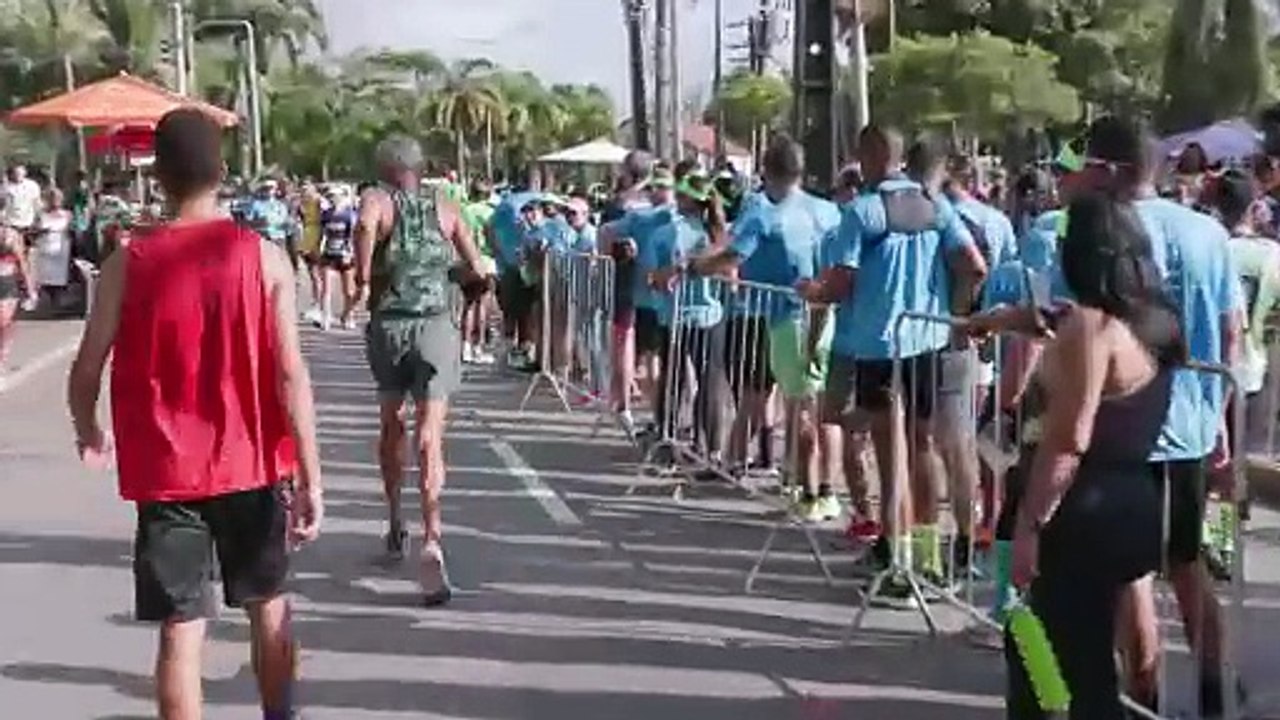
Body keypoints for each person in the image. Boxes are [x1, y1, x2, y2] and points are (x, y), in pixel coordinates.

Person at [65, 107, 323, 720]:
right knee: (270, 606)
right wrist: (312, 473)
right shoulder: (263, 257)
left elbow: (85, 369)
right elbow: (291, 372)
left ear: (159, 177)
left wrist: (88, 429)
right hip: (254, 465)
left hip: (167, 473)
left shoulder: (130, 262)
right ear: (222, 171)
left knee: (180, 629)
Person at [1077, 118, 1244, 716]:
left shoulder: (1111, 232)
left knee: (1132, 577)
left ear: (1113, 170)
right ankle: (1210, 695)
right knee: (1188, 563)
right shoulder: (1208, 234)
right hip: (1194, 425)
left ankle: (1143, 700)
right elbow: (1230, 335)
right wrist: (1222, 421)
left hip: (1129, 426)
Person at [1001, 192, 1184, 720]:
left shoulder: (1091, 327)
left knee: (1060, 663)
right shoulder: (1156, 322)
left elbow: (1069, 438)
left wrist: (1032, 524)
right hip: (1132, 498)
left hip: (1080, 510)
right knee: (1075, 659)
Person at [799, 124, 986, 605]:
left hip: (879, 346)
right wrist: (956, 317)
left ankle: (899, 564)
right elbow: (974, 265)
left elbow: (841, 282)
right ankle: (922, 554)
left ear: (871, 153)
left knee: (889, 453)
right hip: (926, 343)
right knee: (920, 446)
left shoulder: (862, 210)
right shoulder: (935, 205)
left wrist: (814, 292)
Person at [354, 135, 487, 605]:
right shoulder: (446, 206)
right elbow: (475, 268)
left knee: (391, 424)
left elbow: (367, 227)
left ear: (385, 167)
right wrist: (463, 287)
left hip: (389, 326)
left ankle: (395, 519)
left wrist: (364, 277)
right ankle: (433, 536)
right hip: (435, 328)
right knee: (430, 436)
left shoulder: (376, 199)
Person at [695, 135, 843, 520]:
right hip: (825, 314)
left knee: (802, 407)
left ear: (766, 170)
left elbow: (733, 254)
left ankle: (811, 492)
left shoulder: (764, 211)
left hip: (790, 316)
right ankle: (822, 489)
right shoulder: (828, 211)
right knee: (820, 405)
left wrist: (696, 267)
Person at [599, 167, 677, 438]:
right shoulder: (645, 217)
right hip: (655, 300)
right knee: (657, 365)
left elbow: (605, 234)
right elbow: (607, 233)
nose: (658, 192)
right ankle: (662, 420)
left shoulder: (668, 217)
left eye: (661, 187)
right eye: (655, 187)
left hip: (666, 301)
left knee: (660, 365)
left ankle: (663, 420)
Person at [317, 185, 358, 331]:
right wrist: (319, 249)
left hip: (345, 254)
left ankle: (348, 315)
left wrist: (350, 252)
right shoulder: (326, 214)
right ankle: (326, 316)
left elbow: (353, 236)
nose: (334, 199)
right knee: (326, 288)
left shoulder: (349, 215)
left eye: (336, 196)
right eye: (331, 197)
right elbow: (321, 234)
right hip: (329, 253)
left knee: (348, 291)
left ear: (342, 197)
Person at [0, 224, 36, 385]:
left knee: (4, 322)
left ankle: (1, 360)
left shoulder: (11, 235)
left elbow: (22, 261)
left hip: (7, 281)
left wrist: (30, 289)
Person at [297, 181, 327, 325]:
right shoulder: (302, 204)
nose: (304, 193)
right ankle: (316, 304)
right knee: (313, 274)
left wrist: (321, 241)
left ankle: (322, 307)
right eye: (302, 191)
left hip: (318, 237)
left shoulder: (320, 203)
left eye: (306, 190)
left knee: (320, 274)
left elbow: (325, 221)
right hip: (307, 236)